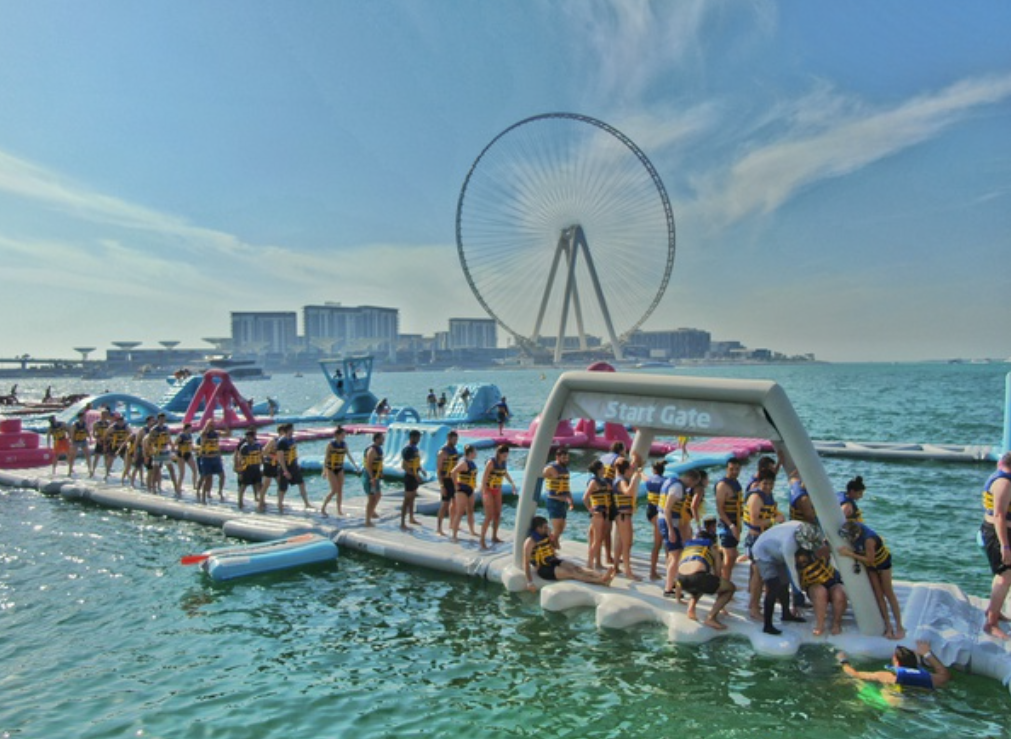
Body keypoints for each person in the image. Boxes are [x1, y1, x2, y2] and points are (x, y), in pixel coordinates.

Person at [838, 520, 905, 639]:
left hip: (882, 564)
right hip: (871, 568)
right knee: (878, 595)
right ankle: (888, 626)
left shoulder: (869, 540)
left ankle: (899, 627)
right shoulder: (850, 528)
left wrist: (849, 554)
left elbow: (870, 559)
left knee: (888, 593)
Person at [749, 520, 810, 635]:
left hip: (777, 551)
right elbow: (793, 572)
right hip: (763, 553)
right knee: (773, 587)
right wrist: (800, 594)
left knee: (784, 584)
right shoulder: (789, 545)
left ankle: (786, 614)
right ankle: (768, 625)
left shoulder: (803, 527)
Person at [523, 516, 615, 591]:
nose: (547, 529)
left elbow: (556, 547)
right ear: (538, 528)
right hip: (544, 569)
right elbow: (526, 563)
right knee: (572, 573)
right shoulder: (530, 542)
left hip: (553, 560)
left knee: (577, 568)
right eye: (545, 527)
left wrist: (552, 538)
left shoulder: (546, 536)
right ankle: (601, 580)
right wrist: (529, 582)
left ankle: (602, 575)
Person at [677, 518, 737, 629]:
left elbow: (681, 570)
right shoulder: (712, 547)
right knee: (730, 588)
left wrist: (678, 597)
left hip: (681, 579)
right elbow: (718, 575)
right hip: (697, 577)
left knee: (701, 582)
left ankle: (691, 609)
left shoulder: (688, 547)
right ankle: (711, 618)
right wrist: (722, 605)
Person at [744, 468, 785, 620]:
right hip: (755, 540)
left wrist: (777, 514)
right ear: (759, 482)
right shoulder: (756, 497)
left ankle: (753, 604)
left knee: (759, 574)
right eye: (765, 483)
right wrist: (774, 520)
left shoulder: (768, 495)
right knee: (758, 574)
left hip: (764, 538)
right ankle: (754, 608)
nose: (768, 487)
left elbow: (770, 512)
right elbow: (754, 520)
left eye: (771, 484)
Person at [980, 451, 1011, 639]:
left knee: (1003, 574)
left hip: (1002, 533)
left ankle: (994, 610)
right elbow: (999, 515)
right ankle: (991, 623)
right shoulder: (1004, 483)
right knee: (1005, 576)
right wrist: (1005, 546)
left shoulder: (1003, 476)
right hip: (998, 534)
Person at [836, 640, 951, 690]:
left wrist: (843, 661)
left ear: (897, 662)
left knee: (858, 683)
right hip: (919, 703)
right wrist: (927, 653)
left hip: (894, 704)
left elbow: (855, 674)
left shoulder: (888, 676)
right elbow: (945, 674)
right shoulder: (930, 678)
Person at [660, 468, 701, 599]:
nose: (692, 487)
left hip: (669, 523)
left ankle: (670, 584)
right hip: (668, 523)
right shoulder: (677, 487)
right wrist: (671, 529)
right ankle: (668, 589)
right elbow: (667, 509)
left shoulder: (672, 483)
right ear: (690, 479)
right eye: (694, 483)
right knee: (676, 556)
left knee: (673, 556)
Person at [795, 547, 847, 636]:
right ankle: (820, 624)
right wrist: (796, 604)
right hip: (813, 586)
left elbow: (827, 551)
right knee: (820, 592)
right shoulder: (793, 561)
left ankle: (836, 623)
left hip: (832, 582)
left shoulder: (818, 552)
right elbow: (795, 584)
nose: (802, 562)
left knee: (839, 593)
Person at [612, 457, 643, 580]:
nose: (632, 471)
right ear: (626, 470)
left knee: (620, 542)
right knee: (627, 543)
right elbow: (628, 492)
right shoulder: (622, 481)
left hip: (622, 515)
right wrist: (635, 479)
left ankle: (615, 567)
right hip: (623, 515)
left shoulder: (619, 477)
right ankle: (628, 572)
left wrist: (635, 463)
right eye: (630, 469)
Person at [714, 458, 744, 583]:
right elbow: (720, 509)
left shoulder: (736, 483)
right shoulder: (722, 485)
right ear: (727, 469)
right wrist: (731, 526)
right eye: (731, 469)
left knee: (732, 556)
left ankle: (725, 580)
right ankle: (724, 585)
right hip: (726, 525)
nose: (734, 472)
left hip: (737, 523)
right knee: (730, 556)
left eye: (737, 469)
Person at [479, 444, 514, 549]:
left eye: (507, 455)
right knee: (489, 516)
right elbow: (484, 478)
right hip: (488, 489)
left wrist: (512, 483)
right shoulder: (491, 463)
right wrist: (484, 492)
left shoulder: (504, 462)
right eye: (504, 455)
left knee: (498, 514)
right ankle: (482, 540)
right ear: (499, 453)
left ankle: (494, 536)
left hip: (497, 489)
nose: (505, 457)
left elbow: (504, 472)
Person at [321, 426, 359, 517]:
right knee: (334, 490)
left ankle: (339, 510)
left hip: (340, 468)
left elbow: (349, 455)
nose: (344, 436)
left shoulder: (344, 444)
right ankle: (323, 507)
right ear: (337, 435)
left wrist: (355, 466)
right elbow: (326, 458)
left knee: (340, 490)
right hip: (331, 469)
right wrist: (324, 470)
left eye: (344, 434)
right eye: (342, 434)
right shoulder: (330, 444)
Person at [276, 424, 314, 512]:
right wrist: (285, 471)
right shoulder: (281, 442)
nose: (293, 431)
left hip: (294, 466)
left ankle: (306, 503)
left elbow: (294, 453)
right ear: (288, 430)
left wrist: (297, 464)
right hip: (285, 468)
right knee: (283, 488)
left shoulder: (292, 440)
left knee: (301, 483)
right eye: (292, 429)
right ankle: (280, 504)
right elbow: (280, 458)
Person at [542, 447, 574, 544]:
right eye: (564, 458)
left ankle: (553, 543)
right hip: (553, 500)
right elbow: (540, 475)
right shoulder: (550, 468)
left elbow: (566, 487)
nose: (566, 460)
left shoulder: (565, 470)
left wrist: (570, 500)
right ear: (557, 457)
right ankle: (551, 546)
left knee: (562, 527)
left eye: (567, 458)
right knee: (557, 528)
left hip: (563, 501)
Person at [450, 444, 480, 541]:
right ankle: (454, 535)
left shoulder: (471, 462)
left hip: (470, 489)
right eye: (475, 452)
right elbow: (453, 472)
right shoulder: (464, 463)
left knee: (470, 511)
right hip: (462, 489)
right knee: (460, 512)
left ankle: (472, 530)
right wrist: (455, 485)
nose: (476, 454)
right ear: (471, 453)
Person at [644, 461, 667, 580]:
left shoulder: (649, 480)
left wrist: (638, 472)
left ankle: (655, 571)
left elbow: (644, 477)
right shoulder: (666, 481)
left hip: (650, 512)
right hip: (658, 513)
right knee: (659, 544)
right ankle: (653, 572)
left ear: (654, 470)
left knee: (660, 543)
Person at [400, 429, 426, 530]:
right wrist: (415, 475)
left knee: (413, 498)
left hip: (415, 475)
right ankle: (402, 522)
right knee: (407, 500)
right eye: (417, 437)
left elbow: (415, 463)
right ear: (412, 437)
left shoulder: (415, 449)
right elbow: (404, 466)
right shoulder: (408, 450)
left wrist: (421, 469)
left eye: (419, 437)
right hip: (410, 477)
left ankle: (411, 518)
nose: (419, 439)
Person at [146, 413, 179, 495]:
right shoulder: (154, 429)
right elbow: (149, 441)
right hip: (157, 451)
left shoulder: (166, 428)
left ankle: (176, 487)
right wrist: (150, 452)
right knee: (156, 471)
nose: (163, 420)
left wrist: (173, 448)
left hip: (165, 450)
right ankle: (153, 488)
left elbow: (169, 439)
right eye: (161, 419)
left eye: (164, 419)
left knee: (171, 469)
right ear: (158, 419)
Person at [435, 430, 460, 536]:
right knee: (445, 504)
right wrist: (441, 486)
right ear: (448, 438)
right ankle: (439, 528)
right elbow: (439, 470)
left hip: (453, 480)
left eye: (456, 440)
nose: (455, 442)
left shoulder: (454, 450)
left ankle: (452, 523)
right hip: (445, 480)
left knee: (454, 502)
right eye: (454, 440)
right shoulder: (442, 452)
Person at [234, 428, 264, 510]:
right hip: (247, 469)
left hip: (256, 468)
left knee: (259, 485)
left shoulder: (258, 445)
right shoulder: (244, 447)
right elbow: (240, 459)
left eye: (249, 437)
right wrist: (240, 472)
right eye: (246, 437)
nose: (247, 439)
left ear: (253, 437)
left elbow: (261, 457)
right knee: (244, 485)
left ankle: (261, 501)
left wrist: (262, 467)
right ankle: (240, 502)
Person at [196, 419, 224, 503]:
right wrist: (206, 427)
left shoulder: (216, 434)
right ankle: (202, 496)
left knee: (222, 475)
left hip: (215, 458)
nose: (212, 426)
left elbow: (227, 434)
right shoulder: (204, 434)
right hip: (206, 458)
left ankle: (220, 491)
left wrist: (225, 426)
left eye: (213, 425)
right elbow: (202, 435)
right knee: (206, 478)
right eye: (210, 425)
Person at [362, 432, 385, 527]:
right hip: (369, 477)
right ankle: (367, 521)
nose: (383, 440)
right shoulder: (372, 450)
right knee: (371, 498)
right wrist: (372, 478)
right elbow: (368, 465)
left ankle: (372, 511)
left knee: (378, 495)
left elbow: (378, 463)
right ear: (376, 439)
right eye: (382, 438)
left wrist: (380, 473)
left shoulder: (378, 449)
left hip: (376, 476)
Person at [174, 422, 198, 493]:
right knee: (182, 473)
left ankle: (194, 485)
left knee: (194, 469)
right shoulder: (181, 435)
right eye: (190, 428)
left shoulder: (190, 435)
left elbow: (191, 445)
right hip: (181, 455)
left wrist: (195, 450)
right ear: (186, 428)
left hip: (188, 454)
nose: (191, 430)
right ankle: (178, 487)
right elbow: (175, 443)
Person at [89, 407, 111, 478]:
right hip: (99, 441)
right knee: (97, 457)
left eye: (106, 414)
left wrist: (109, 439)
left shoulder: (109, 424)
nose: (105, 416)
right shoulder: (96, 423)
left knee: (106, 457)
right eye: (103, 414)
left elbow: (111, 433)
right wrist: (97, 439)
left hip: (106, 441)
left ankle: (107, 472)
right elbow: (93, 433)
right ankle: (93, 470)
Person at [67, 411, 91, 477]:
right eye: (83, 417)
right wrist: (72, 442)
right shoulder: (75, 424)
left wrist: (89, 438)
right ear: (79, 417)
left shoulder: (85, 423)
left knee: (87, 454)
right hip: (76, 441)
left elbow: (87, 431)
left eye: (84, 417)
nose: (84, 418)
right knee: (73, 456)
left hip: (83, 440)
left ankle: (90, 469)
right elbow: (72, 433)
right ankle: (70, 471)